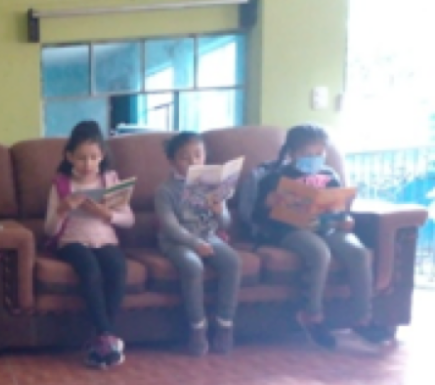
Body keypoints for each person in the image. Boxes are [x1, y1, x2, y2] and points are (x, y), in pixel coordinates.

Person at [252, 123, 391, 349]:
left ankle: (362, 319)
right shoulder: (275, 178)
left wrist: (345, 219)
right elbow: (256, 216)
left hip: (328, 227)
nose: (314, 159)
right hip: (290, 231)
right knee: (319, 253)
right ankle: (312, 315)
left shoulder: (329, 175)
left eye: (319, 153)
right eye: (307, 154)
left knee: (358, 253)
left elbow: (339, 208)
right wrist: (268, 203)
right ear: (292, 153)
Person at [45, 121, 133, 368]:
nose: (88, 164)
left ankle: (101, 341)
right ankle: (107, 335)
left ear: (102, 155)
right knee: (90, 269)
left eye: (93, 157)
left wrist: (108, 215)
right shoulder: (61, 184)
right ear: (69, 156)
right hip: (72, 241)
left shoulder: (110, 180)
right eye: (82, 158)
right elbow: (49, 230)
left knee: (117, 267)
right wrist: (62, 210)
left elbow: (129, 220)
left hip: (105, 239)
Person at [154, 132, 242, 356]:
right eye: (184, 157)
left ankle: (224, 325)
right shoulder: (165, 190)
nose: (193, 161)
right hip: (177, 241)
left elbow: (225, 224)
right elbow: (170, 227)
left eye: (198, 155)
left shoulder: (212, 185)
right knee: (193, 265)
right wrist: (195, 244)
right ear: (172, 161)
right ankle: (197, 328)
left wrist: (219, 211)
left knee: (232, 261)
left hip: (208, 236)